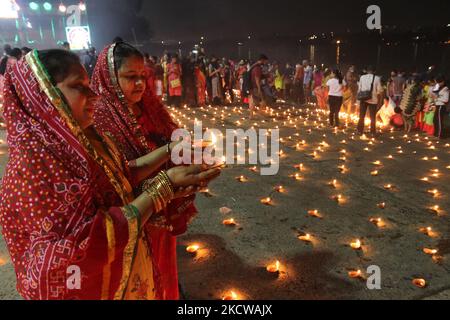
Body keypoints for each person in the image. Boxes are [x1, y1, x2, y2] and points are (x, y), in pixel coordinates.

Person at [0, 49, 221, 300]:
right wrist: (164, 185)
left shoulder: (81, 137)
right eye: (78, 87)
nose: (93, 95)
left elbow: (120, 174)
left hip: (130, 254)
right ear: (44, 95)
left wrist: (170, 151)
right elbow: (82, 247)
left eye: (142, 76)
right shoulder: (33, 168)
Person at [91, 42, 204, 299]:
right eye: (130, 77)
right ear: (109, 76)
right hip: (132, 216)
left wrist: (188, 158)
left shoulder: (149, 107)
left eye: (143, 76)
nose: (140, 84)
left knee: (163, 271)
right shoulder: (98, 117)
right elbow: (112, 175)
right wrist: (166, 171)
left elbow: (169, 145)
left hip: (161, 209)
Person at [357, 66, 383, 136]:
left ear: (366, 71)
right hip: (373, 100)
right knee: (372, 117)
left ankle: (359, 130)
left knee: (362, 115)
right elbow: (379, 91)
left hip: (363, 99)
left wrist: (358, 100)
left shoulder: (362, 77)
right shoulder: (377, 78)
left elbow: (359, 89)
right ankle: (372, 132)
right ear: (374, 71)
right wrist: (379, 102)